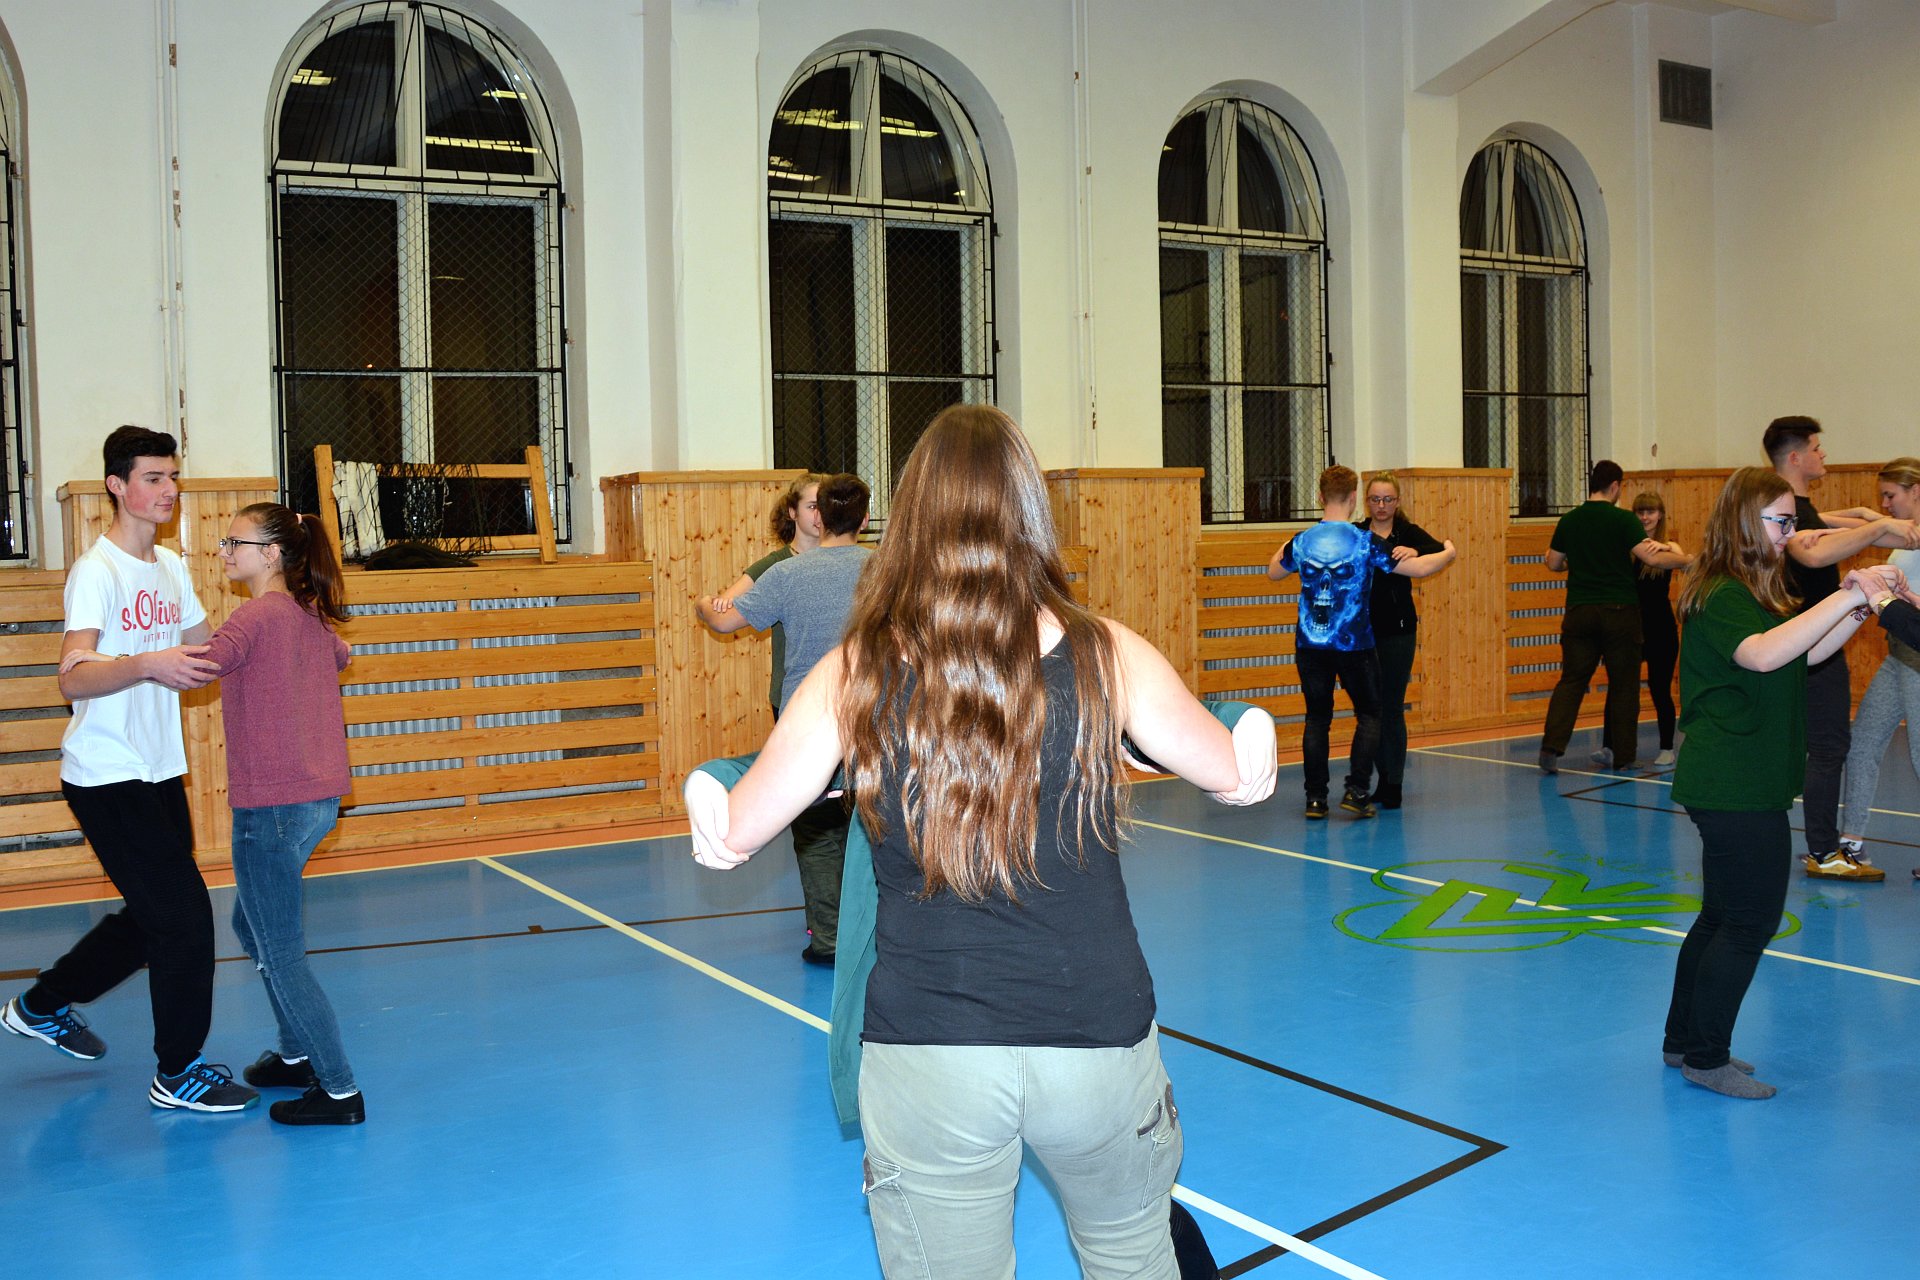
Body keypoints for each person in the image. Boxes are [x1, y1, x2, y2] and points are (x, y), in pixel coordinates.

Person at [685, 404, 1276, 1278]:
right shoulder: (1107, 654)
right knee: (1132, 1256)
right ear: (1031, 513)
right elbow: (1239, 776)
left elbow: (729, 837)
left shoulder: (856, 671)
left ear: (910, 520)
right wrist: (1246, 720)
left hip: (931, 1051)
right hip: (1096, 1037)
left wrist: (710, 783)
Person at [0, 427, 258, 1112]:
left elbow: (207, 649)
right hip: (106, 775)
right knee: (185, 920)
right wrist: (146, 663)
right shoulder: (99, 570)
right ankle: (178, 1072)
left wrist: (279, 616)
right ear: (117, 485)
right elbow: (73, 676)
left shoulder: (169, 565)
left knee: (151, 917)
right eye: (152, 477)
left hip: (159, 769)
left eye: (172, 477)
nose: (168, 490)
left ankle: (40, 1005)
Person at [1663, 466, 1904, 1100]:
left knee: (1720, 917)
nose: (1790, 533)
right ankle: (1706, 1057)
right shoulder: (1720, 591)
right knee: (1750, 921)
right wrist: (1847, 595)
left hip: (1745, 780)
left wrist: (1858, 605)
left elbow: (1806, 653)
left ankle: (1683, 1040)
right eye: (1781, 521)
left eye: (1793, 521)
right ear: (1747, 521)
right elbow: (1765, 653)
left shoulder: (1750, 589)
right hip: (1734, 782)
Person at [696, 473, 872, 964]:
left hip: (807, 725)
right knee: (875, 822)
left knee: (816, 828)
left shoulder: (788, 574)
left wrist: (702, 605)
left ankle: (830, 939)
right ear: (863, 520)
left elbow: (723, 619)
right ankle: (880, 935)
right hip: (875, 716)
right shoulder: (890, 570)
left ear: (821, 517)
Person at [1763, 416, 1920, 880]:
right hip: (1836, 646)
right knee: (1843, 745)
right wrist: (1874, 521)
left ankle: (1829, 846)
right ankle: (1833, 846)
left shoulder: (1800, 514)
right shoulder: (1791, 515)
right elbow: (1810, 544)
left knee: (1852, 747)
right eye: (1817, 447)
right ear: (1796, 457)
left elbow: (1824, 527)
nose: (1824, 454)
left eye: (1891, 495)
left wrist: (1870, 519)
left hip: (1893, 647)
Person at [1268, 465, 1455, 819]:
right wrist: (1447, 552)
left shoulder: (1304, 540)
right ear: (1355, 499)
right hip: (1354, 645)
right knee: (1370, 714)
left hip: (1311, 646)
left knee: (1317, 719)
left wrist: (1298, 539)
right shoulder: (1364, 541)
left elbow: (1274, 570)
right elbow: (1418, 569)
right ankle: (1356, 790)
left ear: (1320, 497)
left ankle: (1315, 799)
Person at [1537, 461, 1692, 775]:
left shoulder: (1570, 520)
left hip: (1579, 611)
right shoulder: (1623, 520)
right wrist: (1688, 560)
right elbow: (1650, 558)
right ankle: (1623, 756)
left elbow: (1553, 563)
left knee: (1572, 680)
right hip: (1619, 613)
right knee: (1624, 684)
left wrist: (1573, 563)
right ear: (1615, 486)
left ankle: (1551, 746)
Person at [1834, 458, 1920, 873]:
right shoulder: (1901, 533)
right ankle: (1851, 842)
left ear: (1916, 490)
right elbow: (1860, 525)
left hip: (1918, 657)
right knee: (1864, 743)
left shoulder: (1912, 534)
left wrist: (1871, 522)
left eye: (1891, 495)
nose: (1886, 504)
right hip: (1897, 656)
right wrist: (1863, 515)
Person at [1355, 472, 1454, 810]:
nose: (1381, 506)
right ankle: (1380, 778)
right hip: (1362, 633)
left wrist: (1415, 550)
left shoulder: (1408, 532)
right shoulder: (1358, 533)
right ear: (1367, 502)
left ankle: (1393, 782)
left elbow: (1440, 549)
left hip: (1398, 631)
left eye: (1388, 499)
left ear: (1397, 502)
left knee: (1392, 707)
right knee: (1371, 709)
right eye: (1375, 499)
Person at [706, 473, 829, 711]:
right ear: (793, 512)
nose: (819, 515)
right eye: (812, 507)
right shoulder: (776, 565)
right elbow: (725, 604)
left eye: (824, 507)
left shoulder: (838, 559)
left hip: (834, 691)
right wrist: (706, 605)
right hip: (792, 694)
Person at [1626, 492, 1693, 769]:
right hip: (1631, 625)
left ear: (1660, 514)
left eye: (1650, 512)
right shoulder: (1630, 545)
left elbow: (1684, 559)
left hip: (1661, 627)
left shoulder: (1668, 546)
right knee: (1623, 687)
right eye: (1640, 512)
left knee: (1659, 688)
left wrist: (1662, 546)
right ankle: (1614, 746)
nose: (1645, 517)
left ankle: (1667, 747)